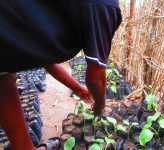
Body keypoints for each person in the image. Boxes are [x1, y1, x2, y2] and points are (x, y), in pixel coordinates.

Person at [0, 0, 122, 149]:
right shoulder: (105, 5)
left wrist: (77, 88)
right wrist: (100, 106)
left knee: (4, 81)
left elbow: (43, 57)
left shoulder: (40, 17)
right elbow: (96, 76)